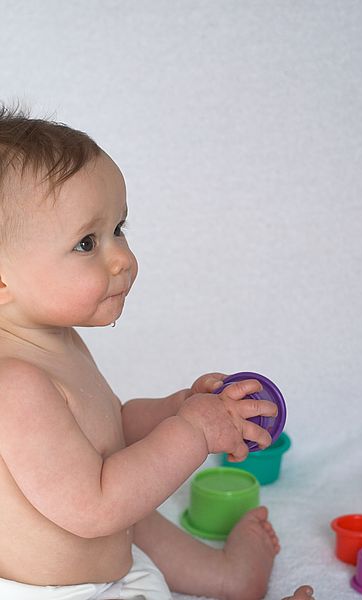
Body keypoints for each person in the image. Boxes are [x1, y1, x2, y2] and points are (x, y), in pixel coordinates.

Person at [0, 105, 314, 600]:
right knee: (127, 502)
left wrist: (176, 409)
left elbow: (111, 432)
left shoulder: (55, 340)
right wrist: (191, 432)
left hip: (108, 561)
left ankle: (228, 578)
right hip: (59, 591)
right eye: (87, 242)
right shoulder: (14, 384)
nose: (122, 258)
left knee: (138, 506)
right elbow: (96, 507)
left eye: (118, 228)